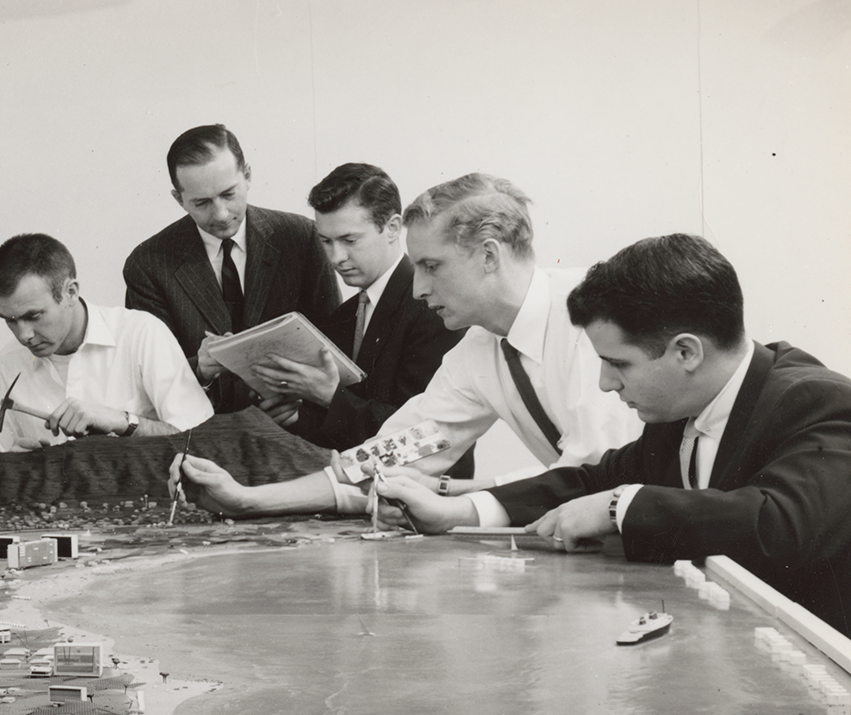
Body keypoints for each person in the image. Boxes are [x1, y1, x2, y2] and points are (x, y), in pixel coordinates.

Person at [375, 235, 851, 631]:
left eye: (618, 364)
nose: (606, 383)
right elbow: (591, 481)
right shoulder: (682, 409)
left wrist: (617, 506)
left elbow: (780, 525)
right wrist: (454, 512)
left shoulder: (818, 402)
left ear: (686, 352)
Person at [169, 172, 641, 518]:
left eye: (432, 267)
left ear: (489, 255)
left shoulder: (593, 318)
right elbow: (388, 457)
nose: (417, 289)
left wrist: (460, 498)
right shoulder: (478, 353)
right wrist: (247, 498)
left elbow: (594, 475)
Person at [253, 162, 472, 478]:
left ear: (393, 227)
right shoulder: (345, 314)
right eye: (326, 241)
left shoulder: (435, 308)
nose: (335, 258)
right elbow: (345, 431)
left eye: (349, 240)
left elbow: (426, 435)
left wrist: (329, 396)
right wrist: (296, 417)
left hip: (429, 496)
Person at [123, 124, 336, 418]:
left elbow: (333, 347)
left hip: (297, 429)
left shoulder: (301, 237)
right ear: (178, 199)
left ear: (247, 175)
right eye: (202, 203)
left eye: (228, 194)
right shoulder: (147, 265)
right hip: (202, 436)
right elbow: (148, 379)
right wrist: (200, 369)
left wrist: (303, 407)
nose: (221, 214)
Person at [0, 233, 212, 451]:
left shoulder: (140, 333)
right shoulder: (6, 365)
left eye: (33, 316)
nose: (24, 335)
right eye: (10, 321)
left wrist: (123, 422)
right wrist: (13, 467)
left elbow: (200, 440)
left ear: (70, 293)